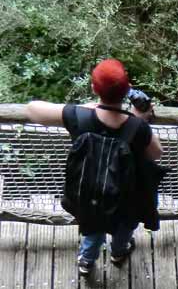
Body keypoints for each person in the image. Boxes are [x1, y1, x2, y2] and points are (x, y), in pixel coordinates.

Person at [25, 58, 163, 277]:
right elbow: (156, 153)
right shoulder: (137, 126)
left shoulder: (79, 116)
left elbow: (32, 110)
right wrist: (139, 120)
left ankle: (87, 262)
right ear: (127, 90)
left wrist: (85, 108)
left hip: (90, 194)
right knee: (124, 228)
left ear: (93, 88)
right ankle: (118, 253)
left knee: (94, 228)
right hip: (125, 197)